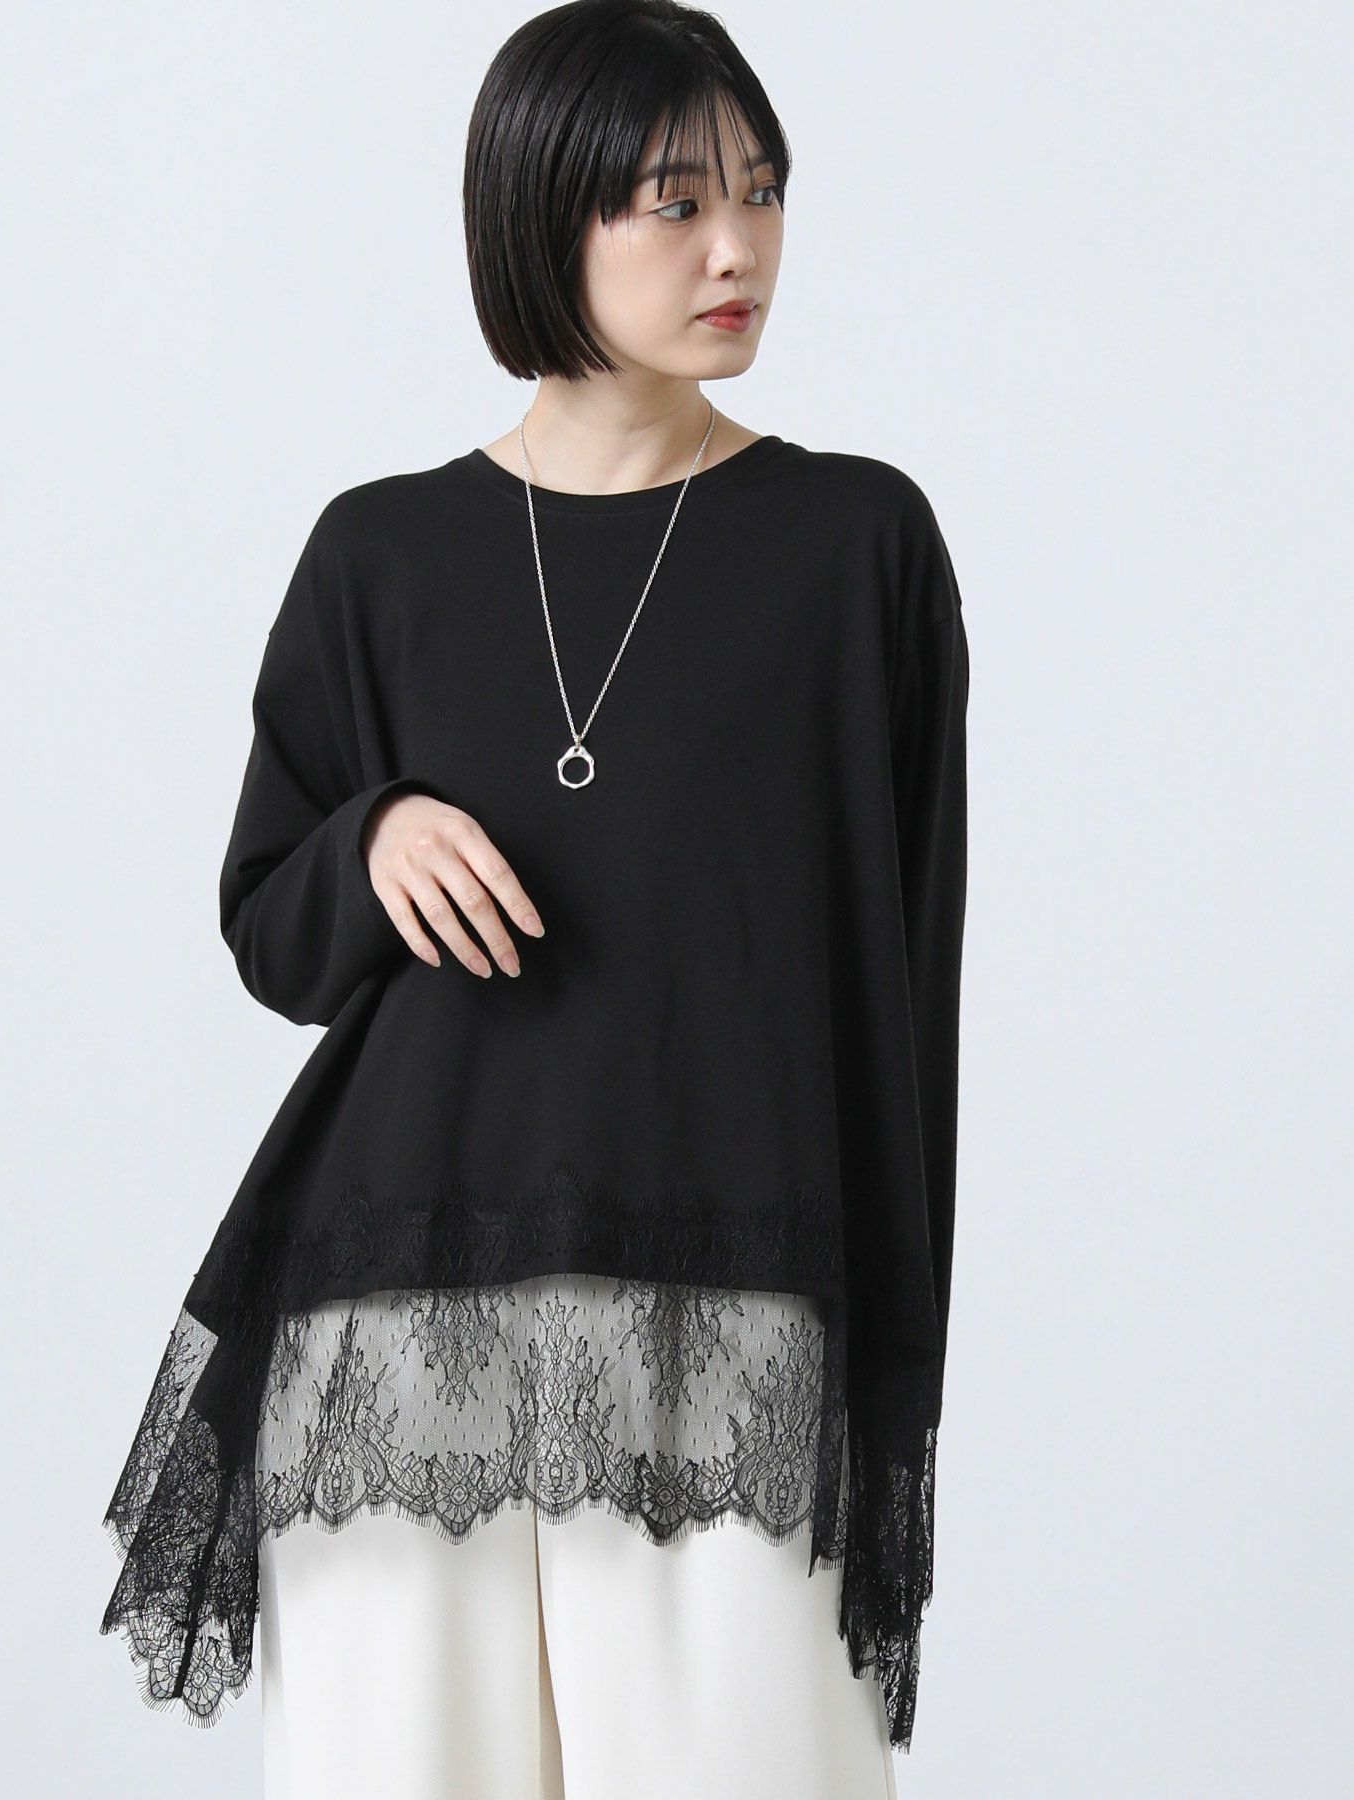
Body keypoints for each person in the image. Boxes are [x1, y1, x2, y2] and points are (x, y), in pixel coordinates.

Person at [100, 4, 970, 1795]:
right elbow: (270, 923)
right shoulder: (379, 553)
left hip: (729, 1322)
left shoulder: (856, 548)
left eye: (762, 191)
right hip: (394, 1310)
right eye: (676, 201)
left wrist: (889, 1377)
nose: (738, 247)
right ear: (539, 216)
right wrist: (373, 841)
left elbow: (905, 993)